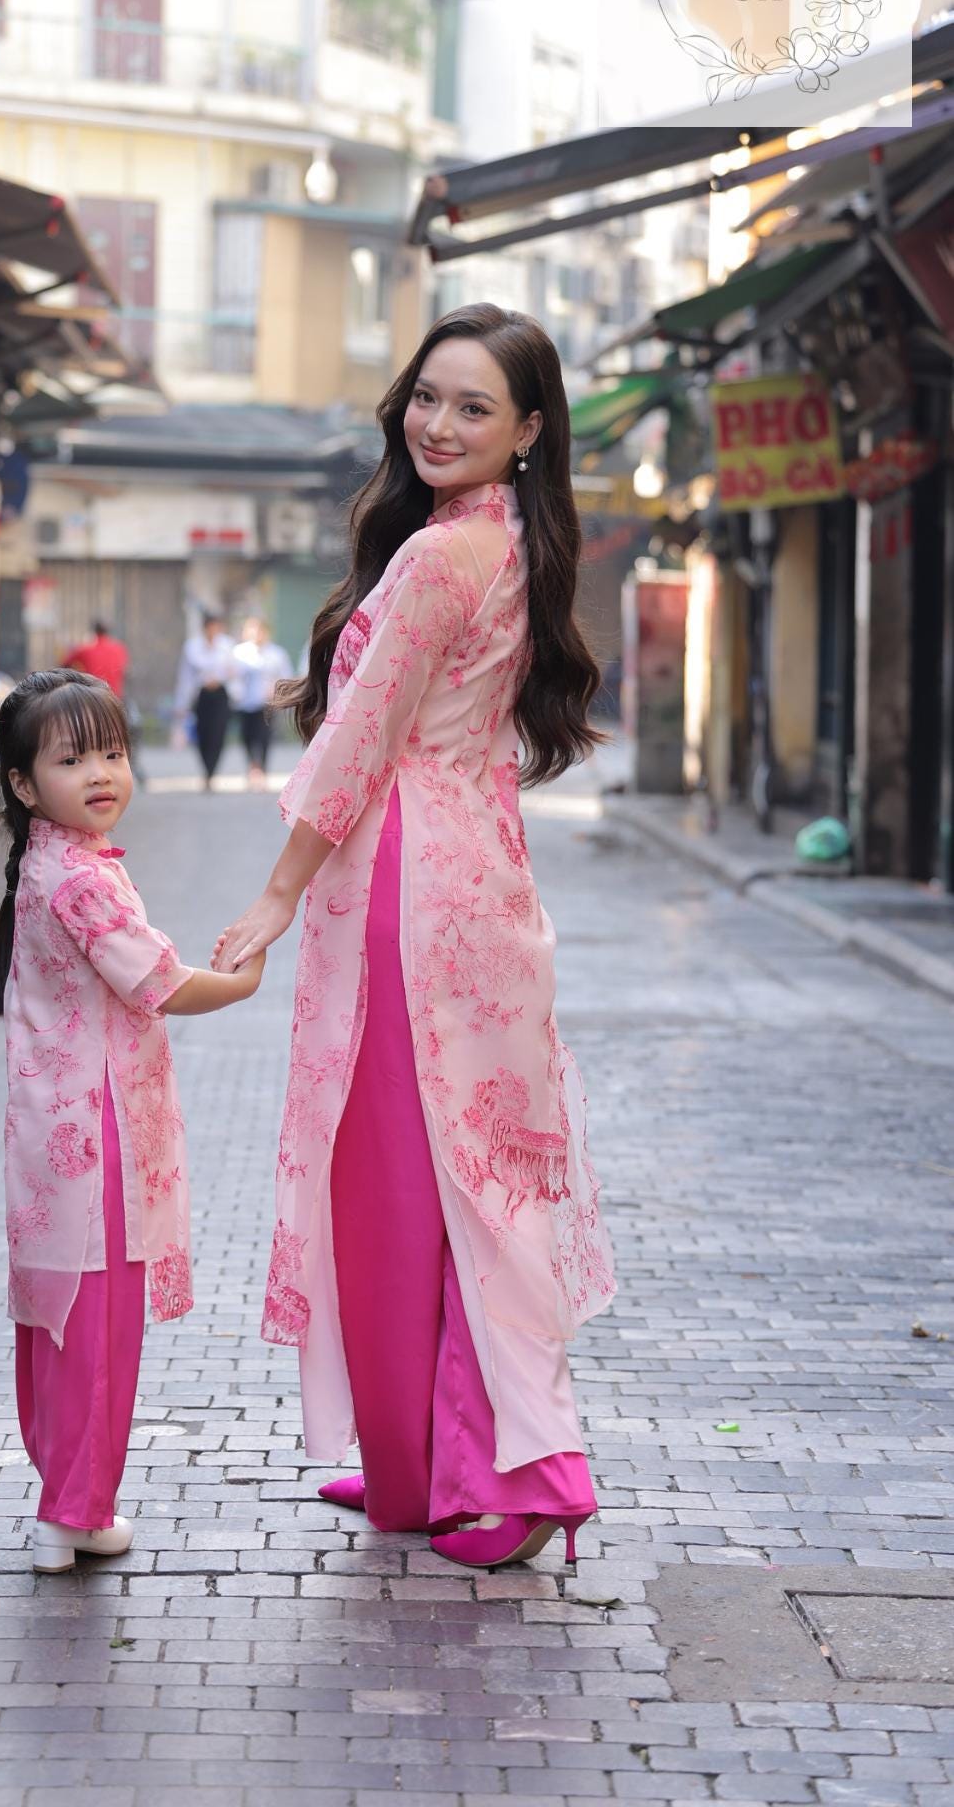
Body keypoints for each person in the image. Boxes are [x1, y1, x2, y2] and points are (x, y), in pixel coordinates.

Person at [211, 304, 617, 1573]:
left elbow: (358, 738)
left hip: (408, 888)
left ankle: (502, 1473)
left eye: (473, 407)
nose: (438, 423)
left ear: (528, 428)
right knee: (469, 1172)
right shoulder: (508, 542)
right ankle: (422, 1463)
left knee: (406, 1181)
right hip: (478, 879)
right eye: (427, 397)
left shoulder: (444, 557)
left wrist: (277, 894)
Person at [0, 668, 263, 1573]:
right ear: (26, 785)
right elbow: (159, 984)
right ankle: (71, 1510)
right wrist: (243, 982)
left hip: (52, 1127)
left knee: (60, 1315)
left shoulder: (51, 863)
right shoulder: (79, 879)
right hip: (95, 1125)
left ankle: (67, 1501)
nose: (101, 773)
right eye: (72, 760)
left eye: (111, 752)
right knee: (97, 1322)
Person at [229, 617, 293, 789]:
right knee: (247, 737)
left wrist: (276, 689)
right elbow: (231, 677)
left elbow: (286, 676)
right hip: (244, 703)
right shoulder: (238, 653)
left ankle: (261, 770)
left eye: (259, 631)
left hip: (267, 703)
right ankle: (252, 766)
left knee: (264, 737)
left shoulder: (277, 653)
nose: (256, 634)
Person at [173, 612, 233, 790]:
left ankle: (211, 771)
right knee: (203, 732)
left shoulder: (227, 645)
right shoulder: (192, 647)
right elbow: (185, 677)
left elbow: (234, 672)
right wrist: (181, 703)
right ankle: (206, 769)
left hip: (221, 694)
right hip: (202, 695)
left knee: (218, 733)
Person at [63, 618, 129, 697]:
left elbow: (65, 663)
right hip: (114, 696)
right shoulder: (120, 648)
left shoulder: (86, 649)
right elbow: (124, 671)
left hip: (93, 695)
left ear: (94, 631)